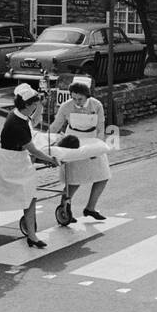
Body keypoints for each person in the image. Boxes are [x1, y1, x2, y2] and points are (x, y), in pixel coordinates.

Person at [0, 84, 58, 247]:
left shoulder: (20, 115)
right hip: (7, 162)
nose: (36, 106)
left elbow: (35, 121)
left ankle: (32, 235)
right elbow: (33, 149)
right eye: (34, 104)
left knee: (29, 195)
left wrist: (41, 104)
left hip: (20, 160)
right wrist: (50, 159)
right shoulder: (16, 123)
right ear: (27, 105)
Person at [48, 79, 110, 224]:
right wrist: (45, 139)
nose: (77, 102)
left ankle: (90, 208)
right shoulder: (66, 107)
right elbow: (56, 126)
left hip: (92, 140)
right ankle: (65, 207)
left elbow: (101, 127)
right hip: (73, 141)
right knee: (74, 179)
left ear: (87, 96)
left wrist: (98, 147)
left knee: (103, 176)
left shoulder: (97, 105)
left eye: (80, 99)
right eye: (74, 98)